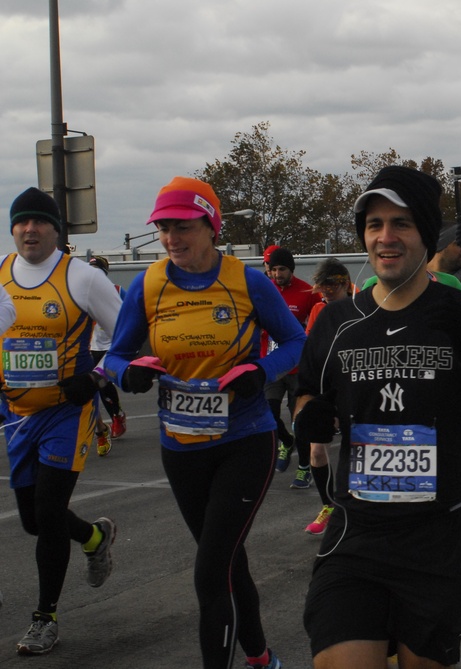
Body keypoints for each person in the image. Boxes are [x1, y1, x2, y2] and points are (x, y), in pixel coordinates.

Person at [294, 165, 461, 668]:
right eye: (375, 224)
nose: (386, 237)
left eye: (401, 223)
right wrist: (308, 417)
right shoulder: (337, 321)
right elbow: (306, 395)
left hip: (441, 537)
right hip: (358, 533)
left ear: (425, 233)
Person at [103, 176, 303, 669]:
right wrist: (130, 374)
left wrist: (260, 371)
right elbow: (113, 358)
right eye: (164, 228)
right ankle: (260, 658)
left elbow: (298, 342)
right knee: (229, 561)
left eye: (183, 226)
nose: (172, 238)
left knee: (211, 570)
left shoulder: (248, 280)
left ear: (211, 227)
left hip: (245, 440)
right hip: (181, 445)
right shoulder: (148, 285)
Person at [1, 187, 120, 656]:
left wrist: (94, 377)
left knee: (49, 513)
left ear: (56, 230)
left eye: (40, 222)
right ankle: (94, 535)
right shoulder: (2, 276)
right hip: (17, 416)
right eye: (22, 222)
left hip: (66, 414)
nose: (30, 230)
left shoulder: (84, 279)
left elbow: (127, 335)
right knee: (33, 521)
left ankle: (44, 618)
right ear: (13, 229)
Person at [302, 257, 354, 536]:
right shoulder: (319, 309)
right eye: (321, 287)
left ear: (343, 282)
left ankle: (359, 507)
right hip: (326, 386)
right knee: (316, 449)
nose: (324, 292)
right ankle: (328, 506)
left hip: (356, 385)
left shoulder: (364, 302)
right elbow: (313, 348)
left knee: (356, 447)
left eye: (329, 287)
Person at [265, 247, 323, 488]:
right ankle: (285, 442)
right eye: (274, 269)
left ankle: (303, 467)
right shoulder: (263, 289)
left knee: (299, 419)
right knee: (268, 412)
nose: (278, 274)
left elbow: (322, 317)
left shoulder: (307, 292)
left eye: (282, 269)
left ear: (291, 270)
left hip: (299, 367)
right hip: (271, 363)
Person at [87, 255, 128, 456]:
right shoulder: (82, 291)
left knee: (104, 383)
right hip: (91, 347)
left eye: (98, 271)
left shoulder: (119, 291)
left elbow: (135, 314)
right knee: (95, 386)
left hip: (113, 346)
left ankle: (115, 416)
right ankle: (105, 424)